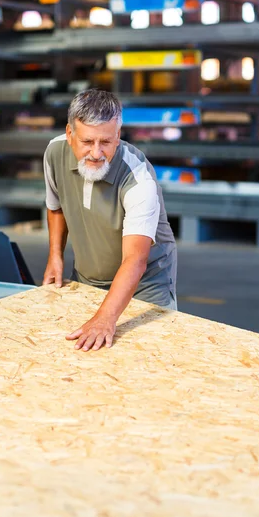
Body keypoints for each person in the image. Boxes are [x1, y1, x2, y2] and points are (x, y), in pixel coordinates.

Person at [42, 89, 177, 352]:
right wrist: (55, 255)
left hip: (145, 285)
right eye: (87, 141)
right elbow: (55, 205)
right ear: (70, 134)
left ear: (118, 136)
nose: (96, 153)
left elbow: (135, 260)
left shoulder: (138, 178)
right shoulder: (54, 153)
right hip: (86, 277)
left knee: (149, 358)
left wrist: (106, 318)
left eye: (106, 142)